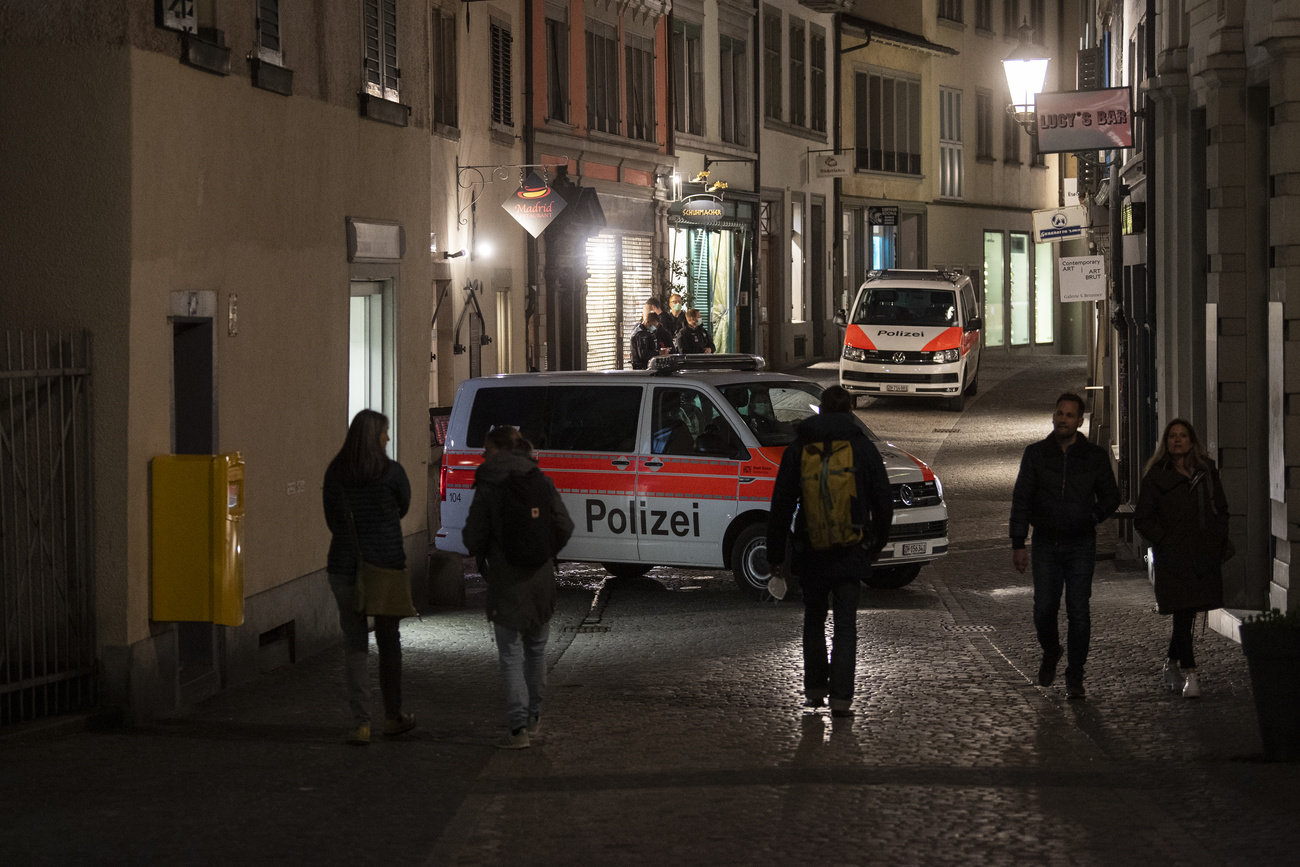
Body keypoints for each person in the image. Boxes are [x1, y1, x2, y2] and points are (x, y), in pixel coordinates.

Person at [767, 385, 893, 718]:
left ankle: (813, 691)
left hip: (812, 550)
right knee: (846, 625)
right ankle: (841, 700)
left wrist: (775, 556)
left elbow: (780, 505)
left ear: (820, 411)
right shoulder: (862, 446)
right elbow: (884, 501)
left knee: (814, 618)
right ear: (851, 410)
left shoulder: (800, 446)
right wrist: (875, 545)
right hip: (852, 550)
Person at [464, 427, 575, 749]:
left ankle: (517, 730)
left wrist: (490, 550)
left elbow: (472, 537)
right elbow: (565, 525)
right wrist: (543, 551)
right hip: (541, 579)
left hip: (506, 579)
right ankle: (534, 719)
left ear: (499, 449)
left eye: (486, 448)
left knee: (510, 654)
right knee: (536, 650)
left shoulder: (488, 482)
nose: (483, 455)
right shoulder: (539, 478)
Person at [1010, 392, 1121, 700]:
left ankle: (1075, 675)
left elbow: (1112, 496)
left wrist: (1093, 516)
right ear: (1054, 416)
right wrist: (1018, 542)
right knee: (1043, 609)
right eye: (1059, 414)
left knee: (1078, 611)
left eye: (1069, 415)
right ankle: (1051, 650)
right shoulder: (1036, 454)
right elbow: (1022, 499)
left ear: (1080, 421)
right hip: (1045, 542)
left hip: (1080, 544)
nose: (1063, 419)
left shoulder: (1094, 457)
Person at [322, 409, 416, 745]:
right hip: (387, 567)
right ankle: (393, 716)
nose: (388, 438)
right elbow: (403, 508)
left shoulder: (336, 473)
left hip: (345, 567)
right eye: (385, 433)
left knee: (354, 642)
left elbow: (333, 521)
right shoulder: (392, 473)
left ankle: (361, 722)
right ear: (375, 436)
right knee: (389, 641)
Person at [1134, 419, 1229, 699]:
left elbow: (1221, 509)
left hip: (1202, 553)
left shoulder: (1206, 472)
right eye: (1172, 436)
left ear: (1191, 440)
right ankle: (1191, 674)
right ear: (1166, 442)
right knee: (1182, 610)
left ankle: (1171, 663)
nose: (1178, 441)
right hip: (1173, 557)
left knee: (1188, 611)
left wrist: (1217, 539)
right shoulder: (1155, 477)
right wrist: (1164, 539)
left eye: (1183, 436)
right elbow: (1143, 517)